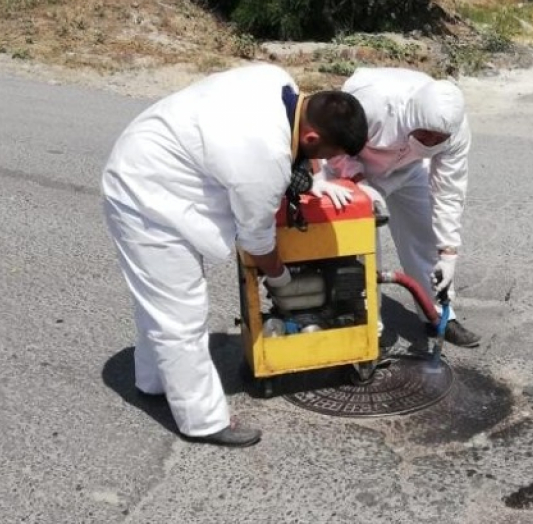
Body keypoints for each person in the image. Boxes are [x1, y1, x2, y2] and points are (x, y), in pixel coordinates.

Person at [102, 63, 368, 448]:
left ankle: (153, 381)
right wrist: (281, 282)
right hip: (148, 197)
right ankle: (203, 421)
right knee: (181, 315)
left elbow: (299, 158)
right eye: (329, 155)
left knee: (156, 303)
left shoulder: (279, 82)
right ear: (311, 136)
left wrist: (318, 176)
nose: (327, 163)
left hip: (150, 154)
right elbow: (257, 241)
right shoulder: (264, 156)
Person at [309, 67, 481, 348]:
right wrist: (359, 181)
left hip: (409, 168)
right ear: (412, 118)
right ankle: (366, 328)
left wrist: (448, 251)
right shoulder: (372, 104)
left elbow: (449, 189)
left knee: (426, 238)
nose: (431, 142)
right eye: (424, 135)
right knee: (361, 250)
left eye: (438, 140)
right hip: (354, 165)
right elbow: (336, 144)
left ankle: (438, 315)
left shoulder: (455, 128)